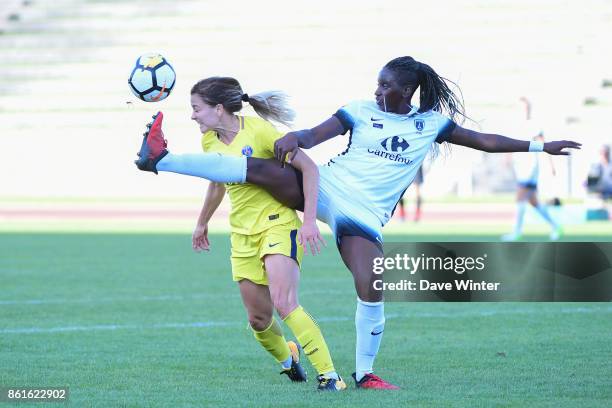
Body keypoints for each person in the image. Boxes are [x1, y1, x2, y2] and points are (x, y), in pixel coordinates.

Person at [135, 57, 581, 390]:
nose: (378, 89)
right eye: (378, 82)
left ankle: (365, 373)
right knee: (262, 169)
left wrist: (540, 148)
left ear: (408, 91)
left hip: (364, 215)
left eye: (386, 85)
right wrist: (296, 138)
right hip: (328, 188)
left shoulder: (432, 123)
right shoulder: (359, 109)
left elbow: (484, 141)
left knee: (371, 282)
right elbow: (316, 135)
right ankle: (161, 159)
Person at [138, 77, 346, 391]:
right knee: (258, 320)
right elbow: (217, 181)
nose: (193, 116)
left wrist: (309, 221)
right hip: (242, 233)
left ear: (218, 108)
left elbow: (310, 168)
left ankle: (330, 376)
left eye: (197, 109)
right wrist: (202, 221)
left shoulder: (259, 131)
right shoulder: (209, 141)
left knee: (284, 302)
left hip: (278, 224)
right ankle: (288, 360)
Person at [501, 97, 562, 241]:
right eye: (521, 108)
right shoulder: (514, 126)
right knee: (533, 202)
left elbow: (545, 145)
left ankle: (516, 232)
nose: (523, 111)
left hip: (530, 167)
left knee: (520, 197)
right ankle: (555, 225)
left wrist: (551, 165)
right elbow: (509, 144)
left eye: (525, 108)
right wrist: (507, 158)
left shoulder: (533, 125)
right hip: (519, 166)